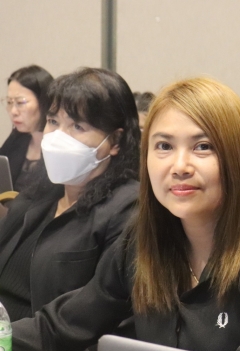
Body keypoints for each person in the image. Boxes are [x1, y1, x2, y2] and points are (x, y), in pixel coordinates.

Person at [12, 77, 240, 351]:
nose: (179, 166)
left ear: (238, 157)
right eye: (164, 146)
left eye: (202, 147)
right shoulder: (142, 240)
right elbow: (60, 327)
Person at [0, 67, 139, 325]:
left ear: (115, 141)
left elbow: (84, 316)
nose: (58, 138)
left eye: (77, 126)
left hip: (35, 344)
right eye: (53, 122)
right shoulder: (41, 193)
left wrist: (6, 338)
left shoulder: (126, 208)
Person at [0, 65, 53, 191]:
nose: (13, 111)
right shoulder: (16, 139)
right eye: (9, 102)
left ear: (43, 102)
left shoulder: (60, 146)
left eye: (20, 102)